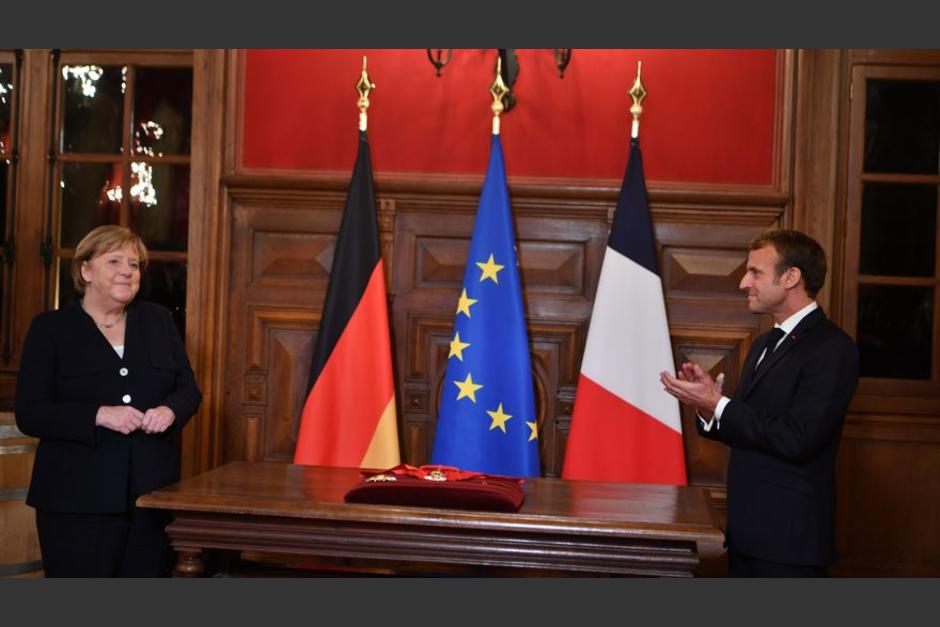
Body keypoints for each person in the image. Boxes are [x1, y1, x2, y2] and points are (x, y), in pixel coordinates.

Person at [660, 229, 858, 577]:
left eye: (754, 272)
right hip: (746, 534)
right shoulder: (765, 343)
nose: (742, 282)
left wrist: (720, 404)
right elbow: (751, 426)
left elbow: (799, 438)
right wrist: (708, 408)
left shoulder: (833, 349)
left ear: (791, 277)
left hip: (790, 543)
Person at [15, 225, 202, 577]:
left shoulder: (158, 321)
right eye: (114, 261)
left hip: (151, 496)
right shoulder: (50, 329)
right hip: (74, 501)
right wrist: (98, 414)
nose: (127, 271)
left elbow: (188, 389)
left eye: (134, 264)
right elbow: (31, 413)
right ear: (85, 270)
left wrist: (170, 410)